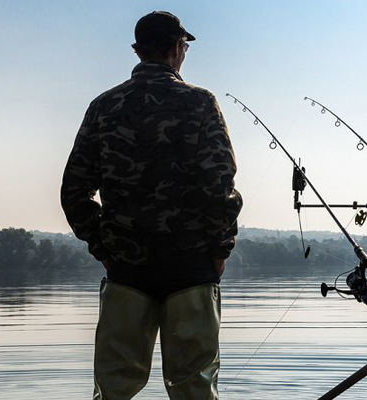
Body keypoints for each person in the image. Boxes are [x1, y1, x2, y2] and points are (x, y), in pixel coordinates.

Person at [60, 11, 242, 400]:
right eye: (185, 46)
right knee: (195, 387)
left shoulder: (104, 106)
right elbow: (220, 184)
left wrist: (105, 247)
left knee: (114, 389)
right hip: (191, 267)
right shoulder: (199, 103)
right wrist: (219, 249)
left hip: (127, 268)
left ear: (137, 50)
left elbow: (74, 191)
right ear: (177, 48)